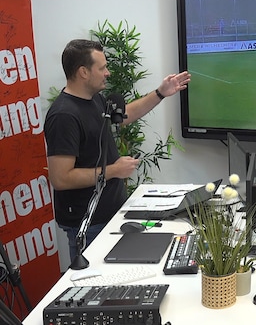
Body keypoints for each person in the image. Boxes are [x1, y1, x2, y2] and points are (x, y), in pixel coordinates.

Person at [44, 39, 191, 264]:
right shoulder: (64, 116)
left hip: (111, 213)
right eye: (102, 68)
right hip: (88, 223)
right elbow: (61, 178)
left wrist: (160, 93)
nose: (108, 73)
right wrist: (113, 170)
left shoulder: (93, 100)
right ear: (83, 72)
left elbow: (123, 117)